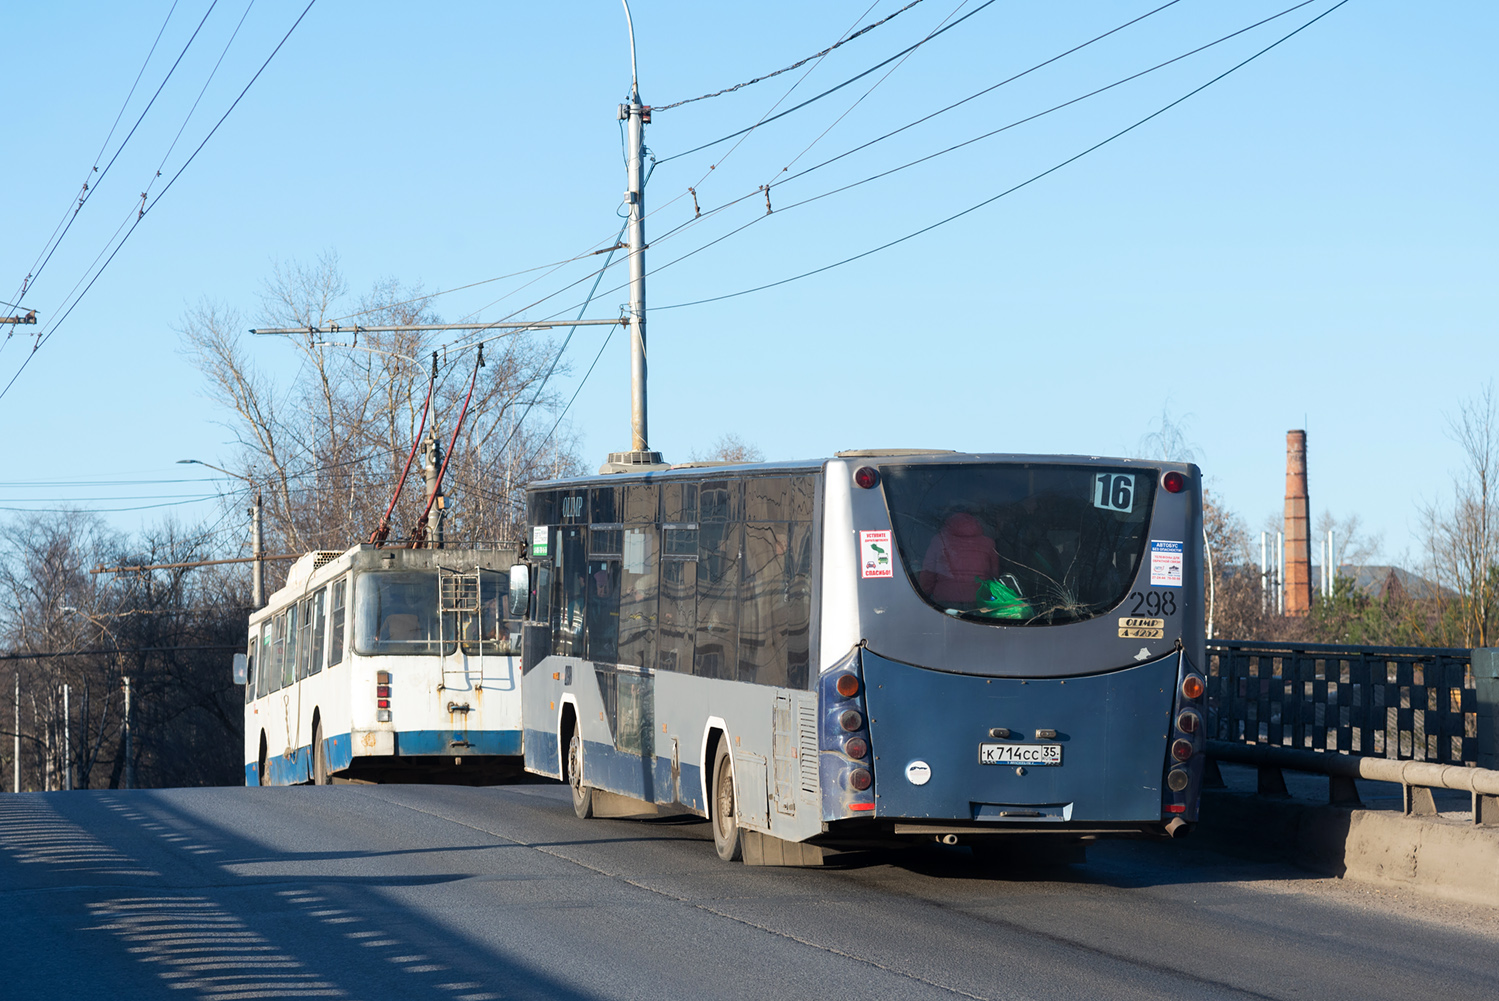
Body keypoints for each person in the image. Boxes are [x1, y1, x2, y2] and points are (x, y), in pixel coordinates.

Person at [918, 512, 1000, 606]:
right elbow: (994, 575)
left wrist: (925, 592)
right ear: (977, 524)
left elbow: (928, 573)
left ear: (948, 524)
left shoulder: (939, 540)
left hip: (945, 601)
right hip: (978, 599)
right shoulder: (988, 543)